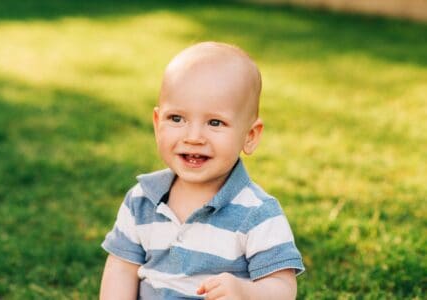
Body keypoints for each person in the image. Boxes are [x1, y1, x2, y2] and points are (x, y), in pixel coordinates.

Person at [100, 41, 304, 299]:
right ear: (157, 123)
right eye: (177, 119)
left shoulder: (258, 213)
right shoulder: (141, 200)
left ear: (250, 136)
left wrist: (245, 292)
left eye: (215, 122)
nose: (193, 137)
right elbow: (121, 269)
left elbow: (283, 288)